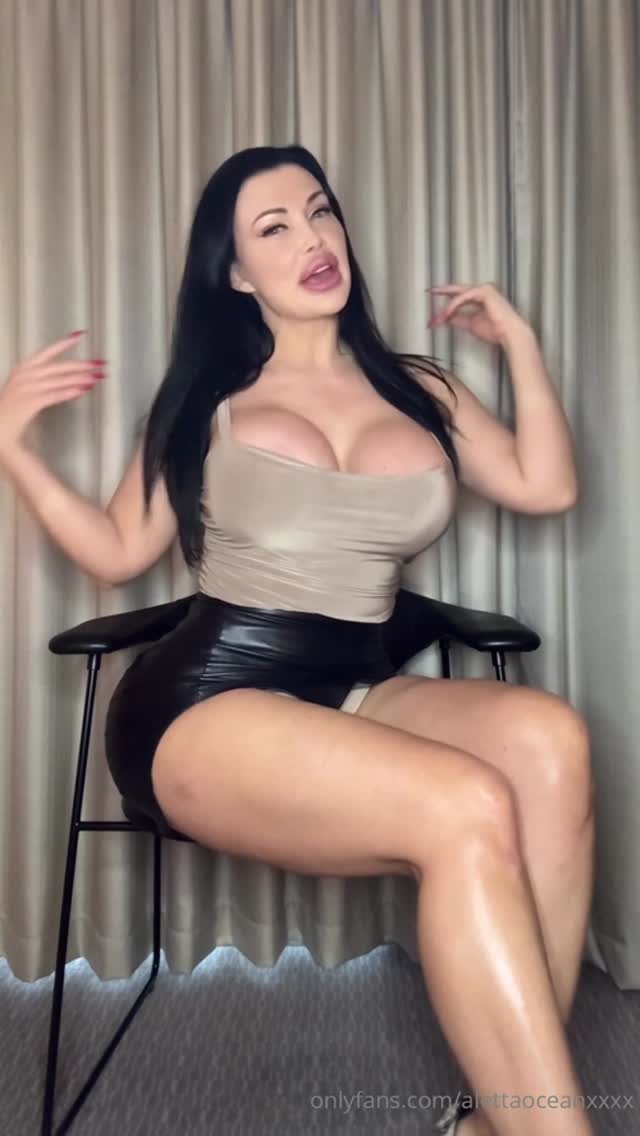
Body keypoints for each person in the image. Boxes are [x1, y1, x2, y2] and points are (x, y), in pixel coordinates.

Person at [0, 145, 595, 1136]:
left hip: (355, 682)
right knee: (467, 801)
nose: (313, 239)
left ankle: (503, 1117)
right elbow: (116, 550)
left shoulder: (420, 388)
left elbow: (547, 485)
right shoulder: (204, 397)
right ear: (236, 272)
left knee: (553, 742)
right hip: (205, 702)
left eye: (320, 211)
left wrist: (518, 343)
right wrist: (11, 447)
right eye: (274, 227)